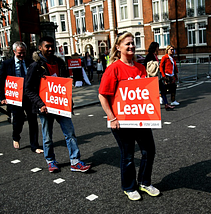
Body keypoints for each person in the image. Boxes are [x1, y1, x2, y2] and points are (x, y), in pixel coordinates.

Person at [98, 32, 160, 201]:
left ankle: (144, 183)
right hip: (121, 122)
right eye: (127, 44)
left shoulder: (140, 67)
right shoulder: (113, 69)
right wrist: (112, 118)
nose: (131, 46)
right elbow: (102, 95)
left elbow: (144, 94)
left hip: (140, 120)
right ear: (118, 47)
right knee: (128, 155)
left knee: (149, 151)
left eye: (133, 43)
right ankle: (129, 187)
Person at [25, 36, 91, 173]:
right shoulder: (35, 66)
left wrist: (69, 101)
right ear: (40, 48)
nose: (50, 49)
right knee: (47, 136)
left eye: (51, 46)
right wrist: (40, 104)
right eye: (46, 46)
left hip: (60, 105)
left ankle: (75, 161)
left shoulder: (60, 62)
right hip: (45, 107)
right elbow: (28, 89)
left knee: (70, 133)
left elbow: (64, 84)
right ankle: (50, 161)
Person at [0, 41, 42, 153]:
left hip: (30, 96)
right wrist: (2, 97)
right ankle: (16, 137)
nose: (22, 55)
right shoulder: (6, 64)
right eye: (19, 53)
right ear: (14, 52)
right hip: (15, 97)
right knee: (18, 120)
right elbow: (1, 81)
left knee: (33, 121)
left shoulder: (30, 62)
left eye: (23, 52)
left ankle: (35, 145)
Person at [144, 42, 174, 111]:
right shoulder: (150, 56)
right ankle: (151, 106)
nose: (158, 48)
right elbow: (146, 65)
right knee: (153, 92)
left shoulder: (155, 55)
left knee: (163, 89)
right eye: (157, 47)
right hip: (152, 77)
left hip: (157, 77)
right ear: (155, 47)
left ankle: (166, 104)